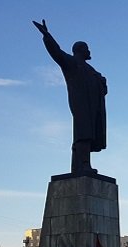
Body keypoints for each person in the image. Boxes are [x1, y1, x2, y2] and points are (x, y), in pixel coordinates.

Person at [33, 19, 107, 173]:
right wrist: (47, 35)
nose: (89, 51)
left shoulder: (91, 69)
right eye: (87, 49)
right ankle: (84, 165)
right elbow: (57, 52)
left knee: (87, 134)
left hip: (93, 107)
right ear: (80, 50)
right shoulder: (71, 63)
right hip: (81, 104)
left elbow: (102, 88)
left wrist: (102, 82)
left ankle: (77, 167)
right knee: (83, 133)